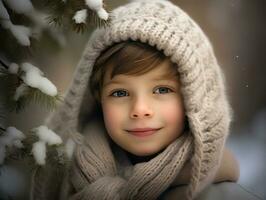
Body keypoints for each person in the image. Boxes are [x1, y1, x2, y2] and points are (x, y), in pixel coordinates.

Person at [31, 0, 260, 199]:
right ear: (97, 99)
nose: (140, 110)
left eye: (162, 90)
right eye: (120, 93)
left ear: (194, 98)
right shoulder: (65, 184)